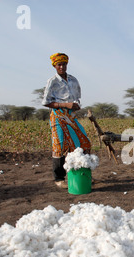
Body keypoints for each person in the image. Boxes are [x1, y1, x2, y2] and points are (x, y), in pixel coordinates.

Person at [42, 53, 91, 188]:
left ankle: (80, 173)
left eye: (64, 64)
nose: (62, 67)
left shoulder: (73, 80)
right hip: (58, 115)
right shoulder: (52, 81)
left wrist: (75, 105)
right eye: (59, 65)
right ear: (55, 66)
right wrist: (65, 105)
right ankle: (59, 178)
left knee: (83, 142)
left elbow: (77, 97)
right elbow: (46, 102)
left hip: (71, 115)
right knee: (59, 145)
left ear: (67, 65)